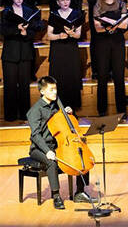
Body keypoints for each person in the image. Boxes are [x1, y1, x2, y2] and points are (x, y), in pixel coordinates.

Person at [26, 76, 96, 210]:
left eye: (55, 89)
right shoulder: (34, 111)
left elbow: (66, 125)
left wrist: (69, 112)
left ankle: (80, 192)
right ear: (42, 92)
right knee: (51, 162)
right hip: (39, 148)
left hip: (58, 144)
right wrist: (47, 151)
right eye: (51, 90)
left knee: (80, 153)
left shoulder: (57, 103)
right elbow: (35, 136)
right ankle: (56, 196)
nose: (55, 93)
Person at [2, 0, 42, 121]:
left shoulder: (29, 11)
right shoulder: (6, 12)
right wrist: (16, 29)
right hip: (10, 53)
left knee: (24, 85)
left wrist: (25, 33)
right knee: (10, 85)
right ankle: (10, 116)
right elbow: (3, 30)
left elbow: (36, 28)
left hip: (25, 52)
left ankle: (25, 114)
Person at [93, 0, 128, 119]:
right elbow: (98, 28)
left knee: (119, 76)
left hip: (117, 42)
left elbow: (124, 25)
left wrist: (109, 24)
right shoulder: (97, 6)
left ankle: (122, 111)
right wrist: (115, 24)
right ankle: (102, 110)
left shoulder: (121, 4)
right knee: (102, 76)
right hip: (103, 43)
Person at [47, 0, 83, 111]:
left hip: (71, 50)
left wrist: (72, 33)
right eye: (62, 0)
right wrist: (59, 36)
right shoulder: (54, 14)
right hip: (58, 50)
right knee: (59, 78)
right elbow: (49, 35)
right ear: (58, 2)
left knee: (71, 77)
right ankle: (58, 107)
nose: (65, 2)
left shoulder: (77, 13)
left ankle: (72, 108)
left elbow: (78, 35)